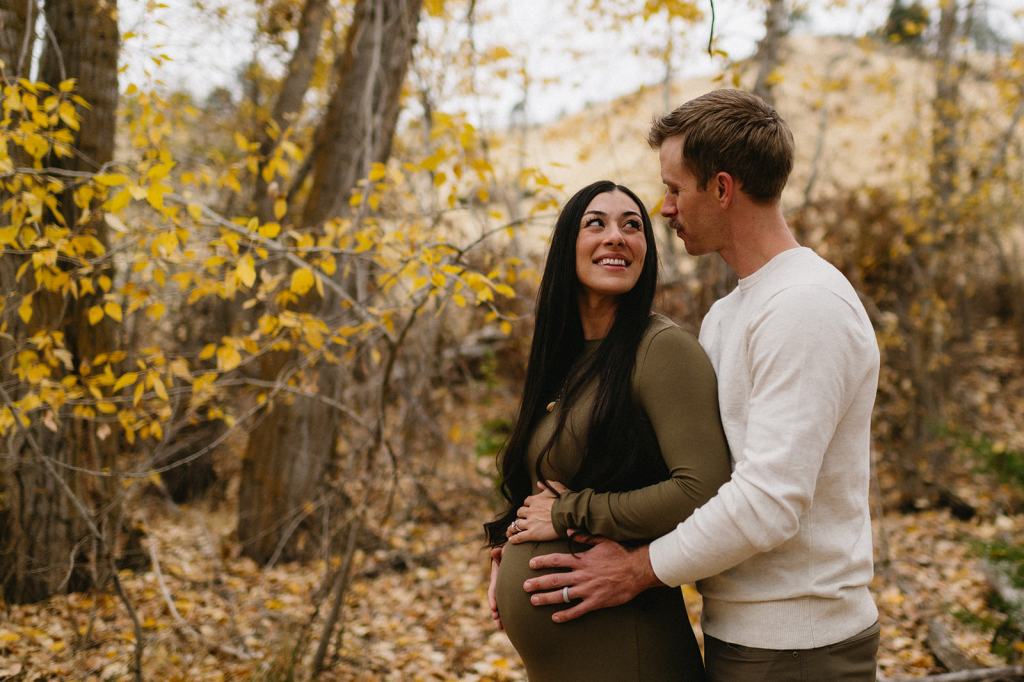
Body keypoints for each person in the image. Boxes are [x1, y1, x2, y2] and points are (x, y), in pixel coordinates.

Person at [521, 89, 882, 681]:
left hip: (798, 646)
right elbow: (687, 470)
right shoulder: (730, 313)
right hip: (742, 633)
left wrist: (637, 569)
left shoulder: (805, 307)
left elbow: (770, 501)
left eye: (674, 188)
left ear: (720, 188)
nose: (665, 208)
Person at [483, 179, 731, 680]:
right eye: (596, 223)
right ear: (566, 248)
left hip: (627, 644)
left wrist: (569, 513)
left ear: (646, 251)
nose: (616, 236)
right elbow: (549, 484)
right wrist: (507, 546)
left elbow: (704, 488)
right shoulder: (568, 357)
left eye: (632, 225)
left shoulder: (661, 349)